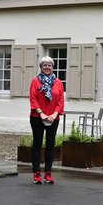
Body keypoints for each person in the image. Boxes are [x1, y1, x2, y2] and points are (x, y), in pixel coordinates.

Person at [29, 56, 65, 185]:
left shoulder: (58, 83)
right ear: (41, 67)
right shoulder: (35, 81)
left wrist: (54, 114)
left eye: (49, 65)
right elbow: (33, 98)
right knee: (37, 144)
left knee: (50, 145)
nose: (47, 67)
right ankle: (36, 173)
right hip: (37, 117)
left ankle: (48, 173)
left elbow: (61, 101)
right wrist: (42, 114)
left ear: (53, 67)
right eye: (45, 65)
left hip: (53, 118)